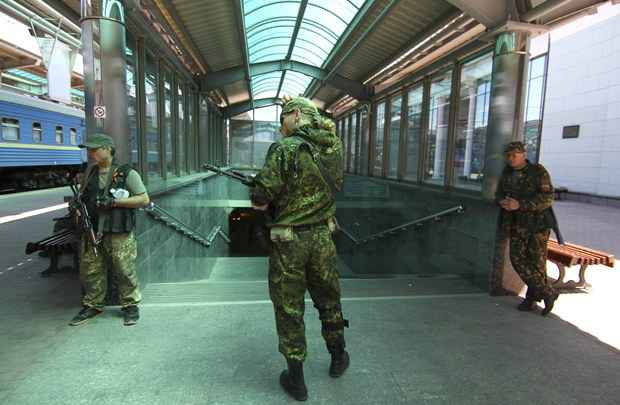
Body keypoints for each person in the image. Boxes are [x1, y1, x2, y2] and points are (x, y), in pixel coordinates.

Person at [250, 96, 349, 401]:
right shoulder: (333, 145)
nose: (281, 128)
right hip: (322, 237)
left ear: (294, 115)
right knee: (328, 299)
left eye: (282, 120)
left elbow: (261, 198)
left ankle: (297, 381)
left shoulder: (284, 148)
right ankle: (338, 357)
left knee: (290, 308)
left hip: (289, 241)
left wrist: (260, 190)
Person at [69, 133, 149, 326]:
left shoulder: (127, 173)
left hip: (118, 230)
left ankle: (130, 306)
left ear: (107, 149)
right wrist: (76, 207)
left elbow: (144, 199)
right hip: (93, 230)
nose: (90, 153)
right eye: (89, 149)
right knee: (91, 270)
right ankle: (93, 305)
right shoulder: (90, 173)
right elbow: (82, 196)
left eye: (94, 149)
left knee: (124, 269)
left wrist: (115, 202)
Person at [496, 141, 559, 316]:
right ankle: (548, 292)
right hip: (516, 224)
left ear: (523, 154)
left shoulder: (538, 172)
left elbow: (547, 198)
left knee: (536, 264)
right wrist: (502, 201)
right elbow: (499, 193)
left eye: (514, 155)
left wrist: (521, 204)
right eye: (508, 155)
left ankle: (531, 298)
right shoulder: (507, 172)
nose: (510, 158)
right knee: (517, 259)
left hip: (537, 226)